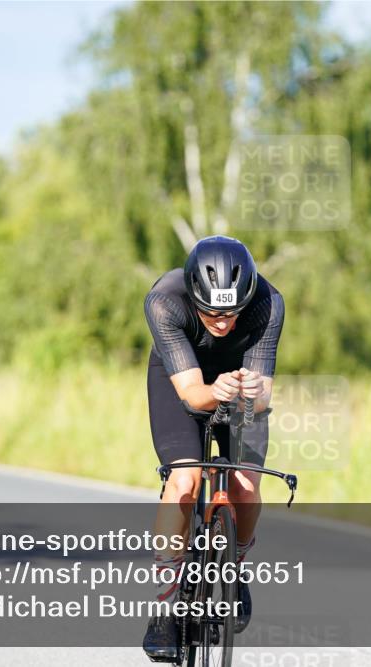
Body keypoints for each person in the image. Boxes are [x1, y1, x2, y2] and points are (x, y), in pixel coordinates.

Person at [141, 235, 285, 661]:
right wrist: (214, 390)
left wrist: (251, 391)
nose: (223, 323)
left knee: (245, 486)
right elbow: (191, 395)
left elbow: (263, 397)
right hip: (181, 380)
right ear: (193, 295)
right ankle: (165, 607)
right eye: (212, 313)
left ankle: (234, 568)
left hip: (239, 383)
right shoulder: (165, 302)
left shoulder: (268, 303)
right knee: (184, 481)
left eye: (232, 313)